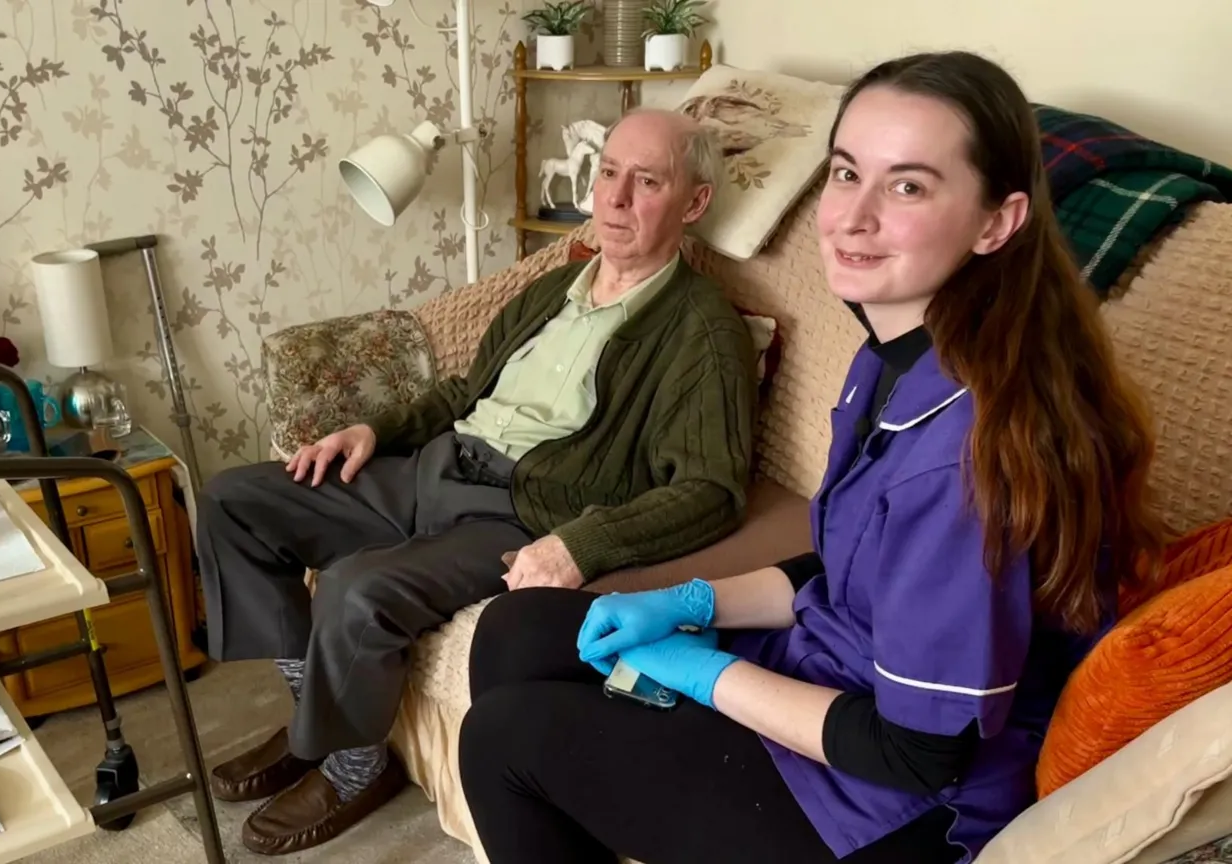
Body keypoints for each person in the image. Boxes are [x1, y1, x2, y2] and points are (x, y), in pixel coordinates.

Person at [459, 50, 1169, 864]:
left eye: (907, 186)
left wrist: (700, 673)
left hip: (893, 805)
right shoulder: (891, 356)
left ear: (996, 222)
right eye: (845, 172)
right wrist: (689, 600)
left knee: (507, 743)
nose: (852, 217)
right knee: (517, 631)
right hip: (835, 681)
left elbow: (916, 752)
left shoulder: (966, 455)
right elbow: (845, 570)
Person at [195, 108, 761, 855]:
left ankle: (357, 763)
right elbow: (467, 391)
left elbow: (713, 491)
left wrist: (583, 544)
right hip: (434, 465)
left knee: (356, 589)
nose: (615, 198)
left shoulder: (701, 332)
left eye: (647, 181)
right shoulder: (557, 287)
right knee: (234, 502)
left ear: (692, 205)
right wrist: (377, 431)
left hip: (520, 510)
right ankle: (314, 721)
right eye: (609, 173)